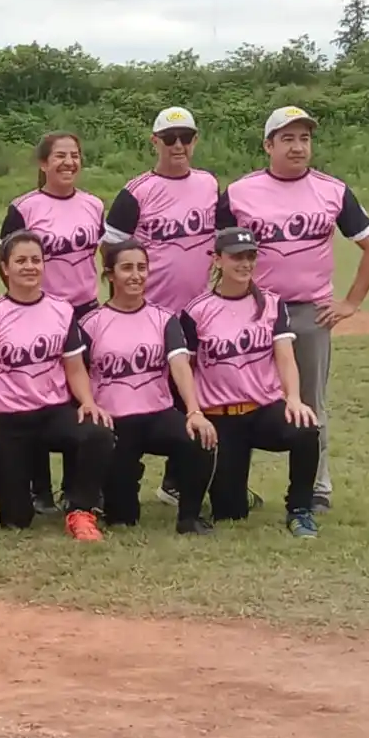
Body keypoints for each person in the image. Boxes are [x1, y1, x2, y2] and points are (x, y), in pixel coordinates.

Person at [217, 106, 369, 514]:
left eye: (305, 138)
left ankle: (317, 489)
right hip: (253, 312)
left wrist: (350, 302)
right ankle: (231, 487)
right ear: (268, 145)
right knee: (240, 399)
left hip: (309, 312)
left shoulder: (331, 190)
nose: (298, 147)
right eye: (288, 138)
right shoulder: (241, 192)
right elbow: (216, 248)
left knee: (310, 401)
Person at [103, 107, 229, 510]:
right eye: (170, 138)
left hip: (196, 311)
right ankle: (119, 473)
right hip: (149, 312)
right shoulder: (136, 191)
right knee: (142, 391)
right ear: (154, 141)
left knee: (192, 392)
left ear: (195, 141)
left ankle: (177, 481)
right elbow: (112, 246)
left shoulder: (209, 184)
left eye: (186, 138)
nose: (178, 146)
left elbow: (224, 237)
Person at [180, 227, 323, 538]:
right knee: (230, 513)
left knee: (305, 429)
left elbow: (285, 356)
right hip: (222, 417)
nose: (245, 264)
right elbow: (187, 368)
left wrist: (294, 398)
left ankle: (300, 509)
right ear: (217, 260)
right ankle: (236, 491)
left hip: (262, 410)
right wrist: (194, 411)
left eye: (250, 257)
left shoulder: (272, 304)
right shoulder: (197, 310)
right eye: (236, 257)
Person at [0, 231, 114, 541]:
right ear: (4, 268)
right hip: (7, 418)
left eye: (36, 260)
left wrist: (88, 401)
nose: (29, 267)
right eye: (20, 260)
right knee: (17, 521)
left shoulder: (62, 310)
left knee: (98, 433)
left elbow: (74, 367)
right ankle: (9, 502)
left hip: (52, 412)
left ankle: (80, 511)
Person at [0, 132, 105, 515]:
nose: (68, 163)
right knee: (37, 391)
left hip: (84, 310)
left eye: (75, 156)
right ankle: (37, 488)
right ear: (43, 164)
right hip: (38, 311)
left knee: (78, 399)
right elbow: (8, 260)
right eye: (59, 156)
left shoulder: (93, 204)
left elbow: (101, 256)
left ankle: (75, 490)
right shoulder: (25, 207)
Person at [79, 240, 217, 534]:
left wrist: (194, 411)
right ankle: (114, 491)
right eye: (127, 268)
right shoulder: (91, 323)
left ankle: (189, 517)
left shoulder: (164, 318)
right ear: (110, 275)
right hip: (115, 420)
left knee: (199, 438)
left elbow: (180, 365)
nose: (136, 275)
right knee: (122, 519)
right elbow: (76, 372)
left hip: (156, 414)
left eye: (142, 268)